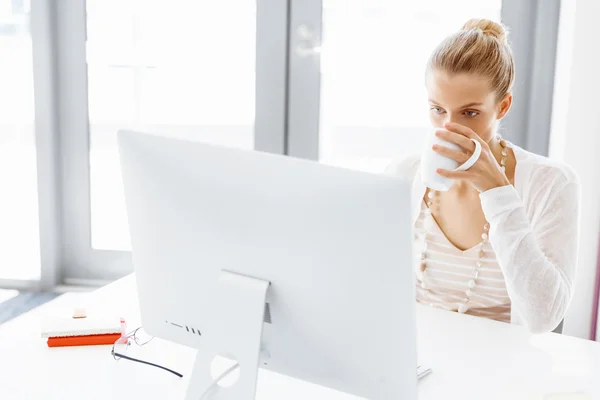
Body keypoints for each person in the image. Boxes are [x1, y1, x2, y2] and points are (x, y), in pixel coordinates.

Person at [386, 18, 580, 333]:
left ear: (503, 106)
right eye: (437, 109)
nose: (449, 127)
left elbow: (544, 318)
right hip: (418, 358)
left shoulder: (552, 183)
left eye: (470, 113)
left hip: (501, 368)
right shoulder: (404, 174)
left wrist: (498, 192)